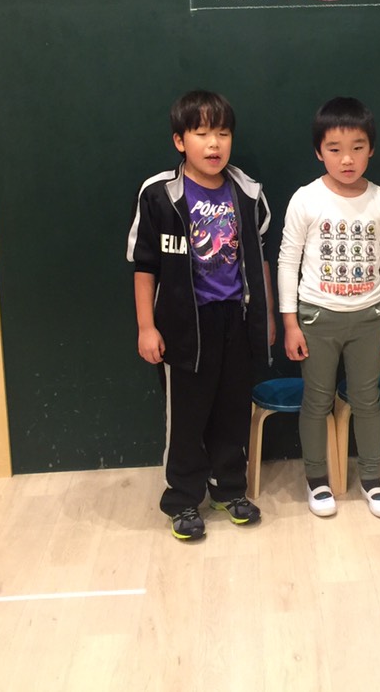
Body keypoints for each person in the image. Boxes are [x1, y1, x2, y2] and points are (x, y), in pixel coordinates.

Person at [127, 89, 275, 541]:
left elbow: (260, 259)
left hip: (236, 320)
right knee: (187, 418)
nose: (214, 144)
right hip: (183, 327)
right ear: (180, 141)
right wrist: (146, 327)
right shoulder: (159, 195)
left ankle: (229, 489)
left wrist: (266, 316)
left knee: (233, 410)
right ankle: (183, 499)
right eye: (202, 133)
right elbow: (144, 266)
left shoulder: (248, 192)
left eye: (223, 133)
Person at [278, 97, 380, 519]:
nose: (346, 159)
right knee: (317, 401)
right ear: (319, 151)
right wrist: (290, 323)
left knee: (368, 400)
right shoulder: (306, 199)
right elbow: (287, 261)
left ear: (371, 149)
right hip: (317, 317)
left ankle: (372, 478)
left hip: (369, 318)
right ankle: (317, 480)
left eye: (357, 147)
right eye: (335, 149)